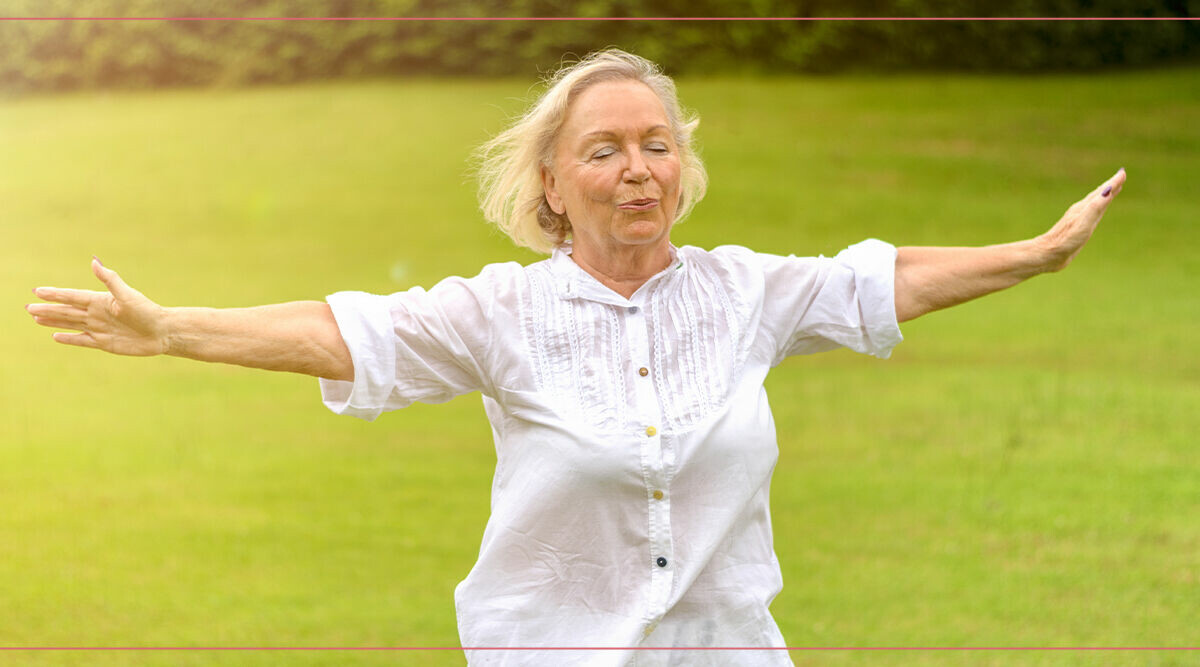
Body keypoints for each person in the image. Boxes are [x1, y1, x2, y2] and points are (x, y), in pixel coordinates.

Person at [27, 48, 1125, 666]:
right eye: (604, 150)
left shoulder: (747, 293)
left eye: (658, 146)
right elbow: (347, 331)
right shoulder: (502, 312)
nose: (638, 169)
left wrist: (1031, 255)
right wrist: (172, 327)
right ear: (553, 183)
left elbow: (877, 280)